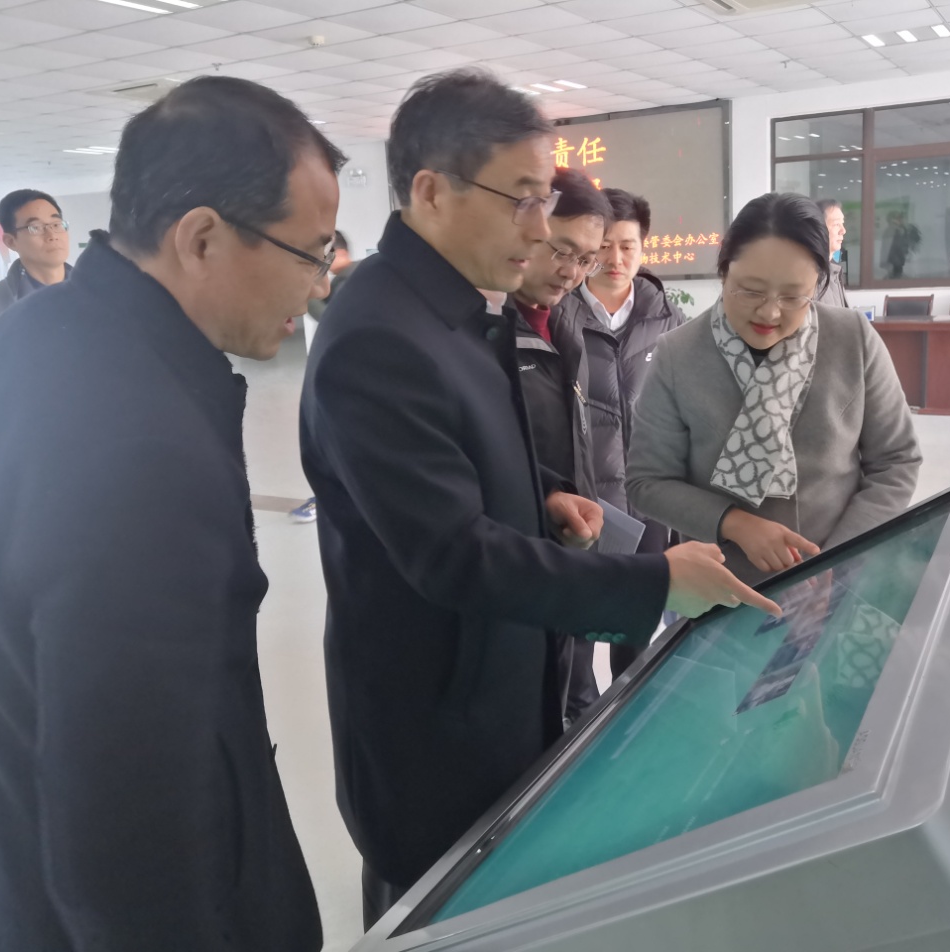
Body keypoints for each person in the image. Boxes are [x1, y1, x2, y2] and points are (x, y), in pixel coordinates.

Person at [298, 68, 776, 930]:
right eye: (520, 199)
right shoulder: (378, 334)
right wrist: (654, 581)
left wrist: (547, 499)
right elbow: (450, 553)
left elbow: (466, 465)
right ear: (431, 191)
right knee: (438, 914)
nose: (537, 226)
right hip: (433, 727)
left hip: (504, 690)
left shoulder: (456, 310)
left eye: (543, 199)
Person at [0, 76, 342, 952]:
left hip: (16, 871)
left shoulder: (42, 335)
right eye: (309, 253)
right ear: (201, 237)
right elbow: (125, 803)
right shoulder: (141, 436)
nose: (316, 288)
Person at [627, 192, 922, 587]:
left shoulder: (852, 339)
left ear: (817, 284)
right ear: (724, 270)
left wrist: (837, 561)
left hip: (841, 578)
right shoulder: (678, 354)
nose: (769, 312)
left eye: (792, 296)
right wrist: (735, 523)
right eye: (750, 290)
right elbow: (648, 482)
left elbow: (896, 461)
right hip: (724, 586)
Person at [551, 187, 686, 683]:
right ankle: (580, 721)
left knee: (637, 632)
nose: (615, 259)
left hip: (649, 504)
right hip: (589, 503)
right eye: (604, 246)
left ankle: (631, 715)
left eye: (628, 246)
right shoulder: (559, 316)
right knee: (581, 634)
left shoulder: (668, 319)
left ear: (643, 247)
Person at [509, 165, 611, 723]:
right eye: (562, 251)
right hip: (521, 553)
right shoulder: (488, 328)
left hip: (575, 541)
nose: (571, 272)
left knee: (578, 691)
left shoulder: (565, 318)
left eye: (586, 259)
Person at [290, 230, 359, 524]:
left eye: (323, 259)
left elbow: (328, 317)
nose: (321, 270)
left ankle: (326, 500)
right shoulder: (359, 277)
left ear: (338, 254)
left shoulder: (352, 281)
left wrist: (307, 297)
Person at [0, 189, 71, 369]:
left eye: (56, 224)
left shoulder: (95, 292)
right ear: (11, 241)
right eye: (36, 228)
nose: (52, 236)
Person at [814, 197, 848, 308]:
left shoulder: (834, 273)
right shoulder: (810, 278)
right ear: (818, 228)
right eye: (836, 224)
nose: (843, 231)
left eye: (842, 223)